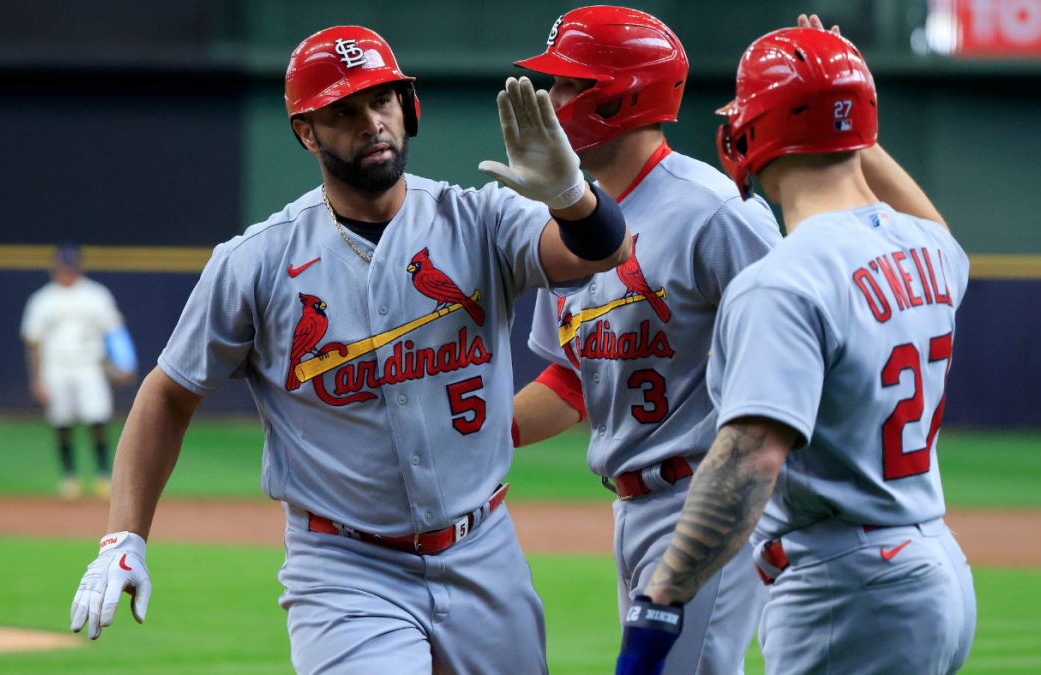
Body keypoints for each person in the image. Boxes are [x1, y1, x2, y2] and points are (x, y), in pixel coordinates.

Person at [68, 26, 633, 675]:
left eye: (383, 101)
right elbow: (169, 392)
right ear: (307, 132)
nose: (372, 122)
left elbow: (603, 250)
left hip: (485, 551)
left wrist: (572, 197)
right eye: (344, 111)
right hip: (345, 568)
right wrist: (124, 535)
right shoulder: (257, 261)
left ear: (408, 106)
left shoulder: (480, 219)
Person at [614, 17, 976, 675]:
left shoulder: (783, 278)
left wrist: (661, 596)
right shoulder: (930, 251)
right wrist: (839, 103)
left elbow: (751, 460)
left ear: (754, 132)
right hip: (937, 568)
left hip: (847, 584)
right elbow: (933, 225)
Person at [510, 8, 781, 674]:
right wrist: (471, 430)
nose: (550, 102)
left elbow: (790, 357)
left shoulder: (713, 209)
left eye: (568, 85)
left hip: (707, 498)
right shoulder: (576, 224)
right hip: (632, 507)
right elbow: (572, 384)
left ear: (622, 93)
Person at [21, 243, 137, 500]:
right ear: (54, 268)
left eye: (70, 266)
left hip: (89, 367)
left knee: (98, 419)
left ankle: (104, 476)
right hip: (56, 369)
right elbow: (33, 344)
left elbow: (115, 332)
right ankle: (69, 477)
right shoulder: (42, 299)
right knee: (61, 422)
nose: (66, 271)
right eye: (62, 266)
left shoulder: (96, 295)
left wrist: (125, 363)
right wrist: (37, 379)